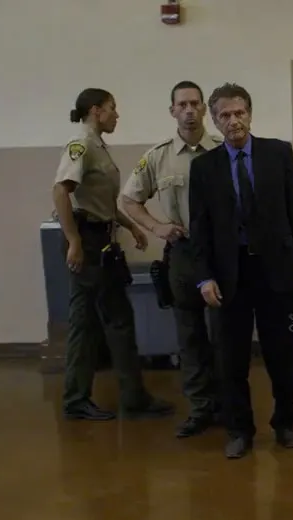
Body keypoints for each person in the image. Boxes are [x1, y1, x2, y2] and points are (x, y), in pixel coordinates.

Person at [185, 83, 293, 459]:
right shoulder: (204, 168)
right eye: (225, 115)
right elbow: (200, 229)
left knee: (281, 354)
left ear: (250, 114)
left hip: (276, 270)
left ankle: (285, 422)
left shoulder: (278, 154)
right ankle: (239, 429)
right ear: (214, 120)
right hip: (230, 275)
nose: (234, 121)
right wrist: (204, 276)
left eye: (239, 113)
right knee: (231, 358)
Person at [51, 88, 173, 421]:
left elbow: (102, 203)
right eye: (112, 108)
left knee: (105, 321)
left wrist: (131, 226)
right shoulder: (81, 144)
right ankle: (93, 399)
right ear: (95, 111)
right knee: (99, 322)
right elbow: (61, 191)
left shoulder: (98, 146)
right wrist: (73, 240)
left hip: (102, 241)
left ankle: (118, 397)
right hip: (88, 243)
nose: (116, 115)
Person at [120, 81, 224, 438]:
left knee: (225, 333)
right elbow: (129, 200)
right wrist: (156, 227)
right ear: (172, 111)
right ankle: (200, 408)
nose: (189, 110)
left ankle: (227, 405)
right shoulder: (158, 157)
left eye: (195, 103)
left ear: (204, 109)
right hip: (183, 253)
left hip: (221, 253)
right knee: (190, 335)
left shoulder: (223, 149)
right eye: (182, 105)